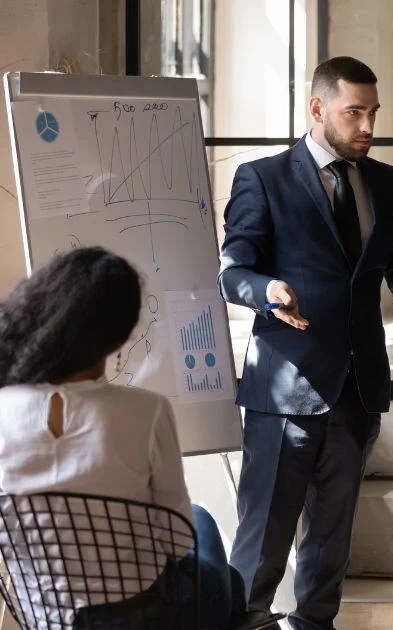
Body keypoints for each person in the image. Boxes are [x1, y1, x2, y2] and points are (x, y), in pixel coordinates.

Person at [218, 56, 393, 630]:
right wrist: (267, 290)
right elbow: (231, 271)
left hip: (357, 387)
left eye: (372, 112)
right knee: (262, 542)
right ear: (317, 109)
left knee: (330, 544)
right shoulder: (263, 177)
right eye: (353, 112)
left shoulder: (388, 181)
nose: (367, 126)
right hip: (286, 386)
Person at [0, 246, 245, 629]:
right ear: (117, 339)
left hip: (46, 618)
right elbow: (177, 542)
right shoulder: (146, 411)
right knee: (209, 536)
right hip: (145, 615)